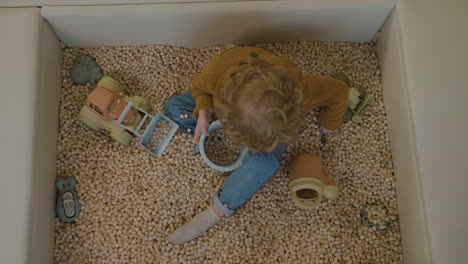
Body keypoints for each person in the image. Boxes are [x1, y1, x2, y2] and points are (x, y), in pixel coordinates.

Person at [165, 47, 348, 244]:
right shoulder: (217, 74)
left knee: (263, 163)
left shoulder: (302, 89)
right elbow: (199, 88)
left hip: (269, 122)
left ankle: (219, 208)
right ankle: (204, 137)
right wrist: (204, 111)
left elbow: (340, 91)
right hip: (228, 104)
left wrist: (329, 123)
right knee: (174, 107)